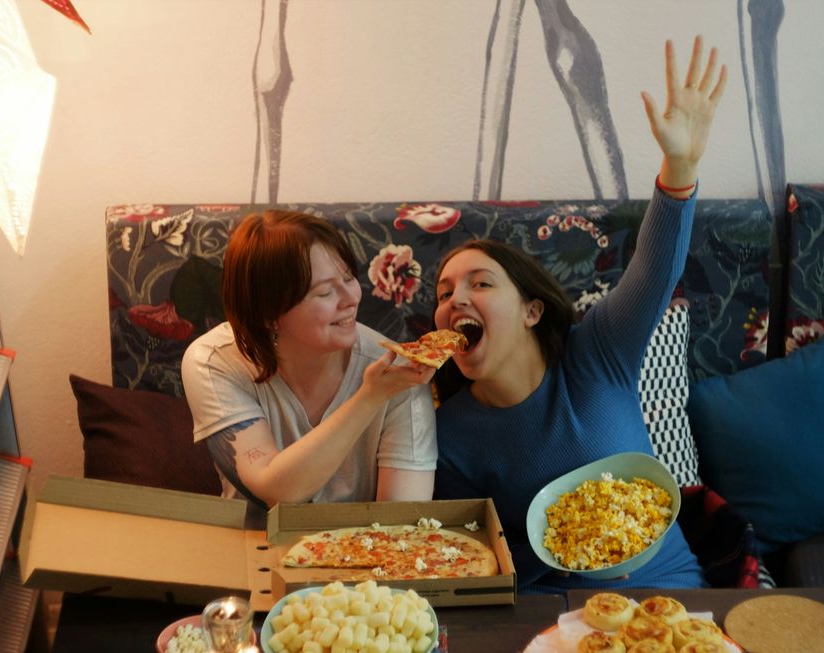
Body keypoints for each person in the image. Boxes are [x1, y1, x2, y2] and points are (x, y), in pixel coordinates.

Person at [431, 36, 727, 592]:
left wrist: (679, 167)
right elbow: (466, 562)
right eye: (444, 293)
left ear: (531, 310)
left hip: (669, 594)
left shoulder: (597, 355)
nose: (455, 300)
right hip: (555, 617)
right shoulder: (449, 434)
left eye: (480, 283)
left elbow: (652, 271)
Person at [181, 210, 437, 510]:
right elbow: (273, 493)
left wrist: (382, 392)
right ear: (268, 315)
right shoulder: (215, 361)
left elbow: (402, 519)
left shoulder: (399, 372)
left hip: (367, 548)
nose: (351, 298)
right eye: (325, 292)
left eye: (348, 278)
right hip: (252, 545)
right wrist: (370, 397)